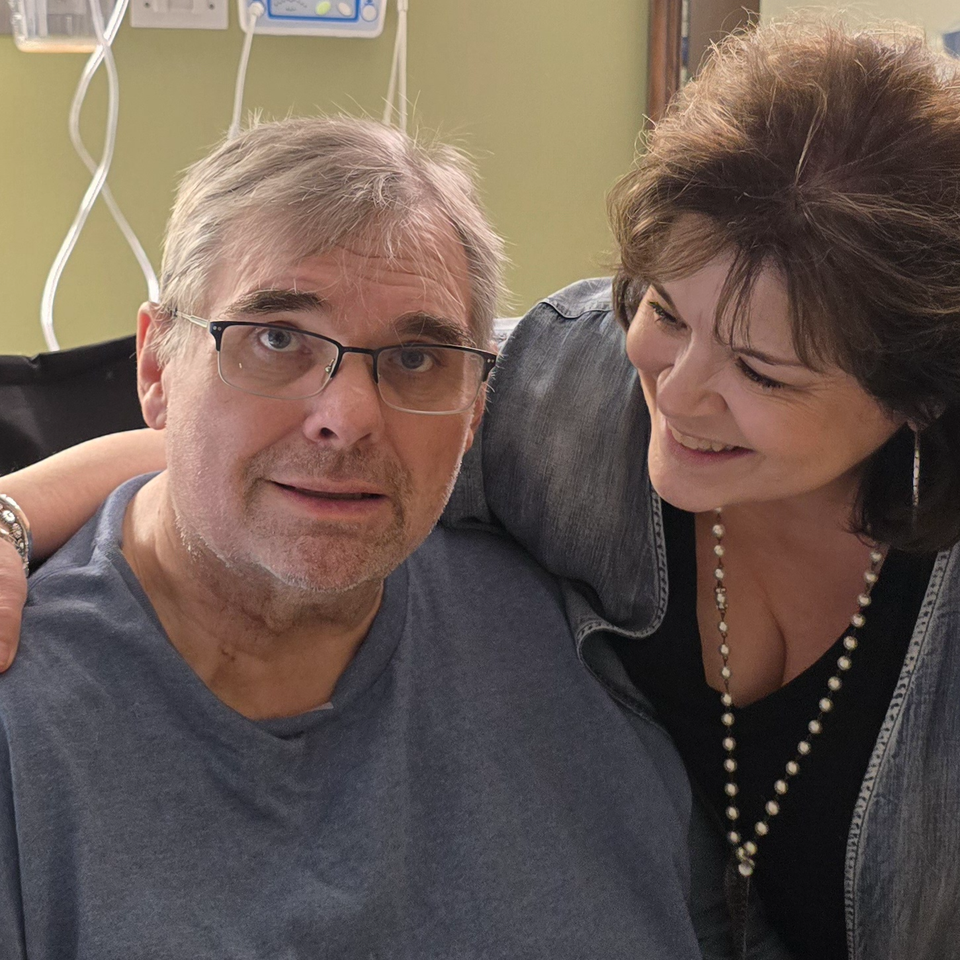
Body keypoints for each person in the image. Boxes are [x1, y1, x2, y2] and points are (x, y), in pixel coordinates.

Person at [4, 18, 956, 960]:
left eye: (761, 372)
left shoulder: (537, 667)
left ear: (917, 399)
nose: (675, 390)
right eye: (664, 310)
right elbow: (261, 450)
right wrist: (10, 514)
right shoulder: (578, 394)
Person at [0, 116, 708, 959]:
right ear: (156, 369)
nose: (347, 417)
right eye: (276, 340)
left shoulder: (567, 651)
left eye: (414, 358)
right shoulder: (25, 724)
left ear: (477, 408)